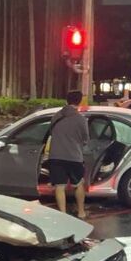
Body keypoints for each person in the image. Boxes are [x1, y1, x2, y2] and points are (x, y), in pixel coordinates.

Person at [48, 90, 90, 219]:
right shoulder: (80, 119)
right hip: (74, 157)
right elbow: (86, 139)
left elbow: (51, 132)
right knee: (78, 184)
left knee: (59, 186)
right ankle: (81, 212)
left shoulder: (56, 116)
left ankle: (63, 214)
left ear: (66, 100)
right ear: (80, 101)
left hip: (55, 156)